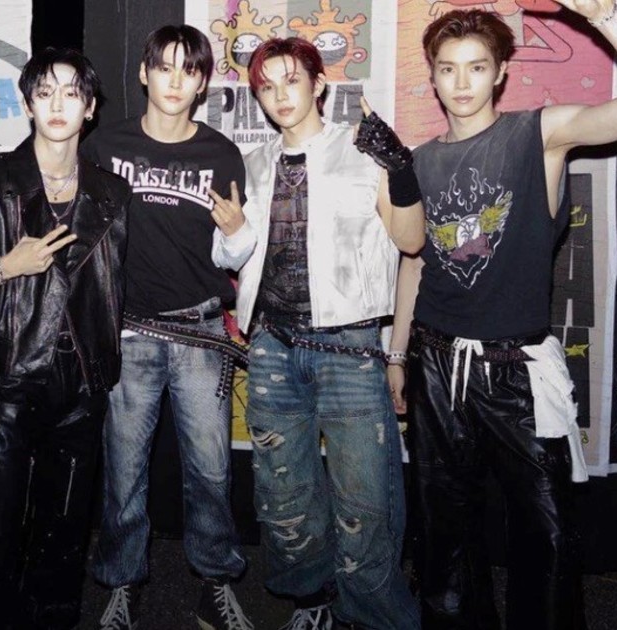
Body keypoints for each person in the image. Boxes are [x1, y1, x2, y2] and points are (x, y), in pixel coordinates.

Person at [389, 3, 617, 628]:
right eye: (448, 68)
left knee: (546, 533)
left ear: (500, 73)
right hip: (435, 362)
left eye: (476, 67)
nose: (461, 82)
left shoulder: (538, 133)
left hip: (517, 369)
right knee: (443, 533)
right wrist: (397, 353)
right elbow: (415, 264)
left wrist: (607, 19)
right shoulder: (419, 159)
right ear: (432, 76)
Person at [213, 36, 425, 630]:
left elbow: (411, 241)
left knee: (366, 499)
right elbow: (233, 256)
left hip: (349, 349)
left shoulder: (363, 154)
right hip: (271, 349)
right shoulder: (250, 164)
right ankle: (313, 605)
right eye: (267, 86)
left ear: (319, 84)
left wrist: (401, 168)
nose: (281, 95)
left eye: (292, 80)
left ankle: (374, 616)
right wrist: (233, 231)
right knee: (284, 495)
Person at [0, 47, 131, 629]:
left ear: (90, 108)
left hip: (82, 387)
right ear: (27, 105)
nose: (57, 104)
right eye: (44, 93)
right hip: (9, 379)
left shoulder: (112, 192)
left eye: (71, 93)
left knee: (64, 531)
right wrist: (8, 267)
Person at [82, 25, 252, 630]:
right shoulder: (104, 146)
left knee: (211, 470)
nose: (176, 81)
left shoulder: (221, 154)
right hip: (129, 332)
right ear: (143, 73)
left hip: (200, 332)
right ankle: (121, 581)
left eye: (190, 69)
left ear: (203, 82)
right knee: (124, 469)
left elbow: (233, 255)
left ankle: (215, 580)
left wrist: (237, 234)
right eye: (165, 67)